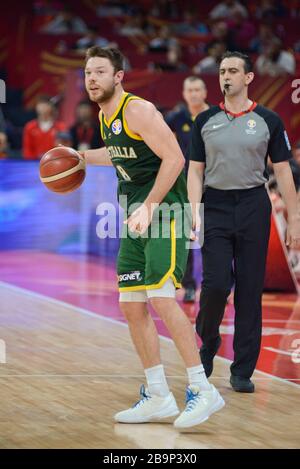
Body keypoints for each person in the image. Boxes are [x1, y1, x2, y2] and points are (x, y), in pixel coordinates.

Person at [82, 46, 225, 428]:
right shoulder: (104, 115)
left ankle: (202, 388)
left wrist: (149, 206)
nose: (91, 79)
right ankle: (158, 394)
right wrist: (79, 157)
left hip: (165, 213)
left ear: (118, 76)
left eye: (99, 72)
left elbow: (175, 158)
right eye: (87, 73)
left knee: (162, 298)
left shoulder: (137, 109)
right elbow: (119, 154)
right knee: (131, 304)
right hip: (136, 217)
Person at [188, 51, 300, 393]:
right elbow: (195, 169)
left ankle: (243, 370)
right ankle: (207, 345)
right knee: (217, 284)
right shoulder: (204, 120)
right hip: (217, 205)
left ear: (248, 78)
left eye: (233, 71)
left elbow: (282, 171)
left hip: (254, 204)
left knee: (250, 290)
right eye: (222, 71)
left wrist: (294, 220)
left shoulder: (269, 119)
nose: (226, 76)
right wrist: (195, 209)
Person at [166, 76, 209, 302]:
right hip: (184, 184)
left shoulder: (215, 116)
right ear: (184, 93)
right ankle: (188, 285)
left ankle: (218, 284)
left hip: (212, 183)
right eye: (189, 89)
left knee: (213, 235)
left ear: (205, 92)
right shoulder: (177, 118)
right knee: (187, 235)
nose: (193, 94)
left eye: (197, 89)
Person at [22, 96, 66, 160]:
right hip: (33, 163)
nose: (42, 107)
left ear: (51, 107)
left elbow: (63, 147)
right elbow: (27, 148)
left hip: (54, 161)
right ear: (36, 107)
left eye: (45, 104)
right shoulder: (29, 127)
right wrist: (30, 162)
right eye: (40, 104)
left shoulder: (60, 127)